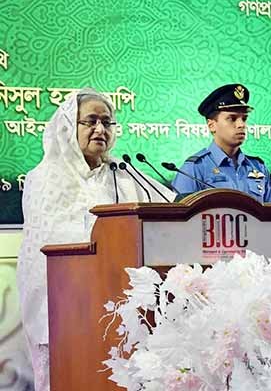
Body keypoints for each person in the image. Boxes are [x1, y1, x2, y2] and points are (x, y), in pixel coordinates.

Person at [16, 88, 174, 391]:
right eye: (90, 121)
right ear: (68, 127)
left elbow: (167, 215)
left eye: (107, 122)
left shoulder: (124, 174)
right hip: (65, 311)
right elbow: (47, 248)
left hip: (122, 309)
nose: (100, 129)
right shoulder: (44, 179)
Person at [171, 83, 271, 202]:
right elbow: (180, 217)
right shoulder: (194, 169)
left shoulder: (259, 168)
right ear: (212, 125)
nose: (241, 125)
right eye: (232, 118)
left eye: (244, 119)